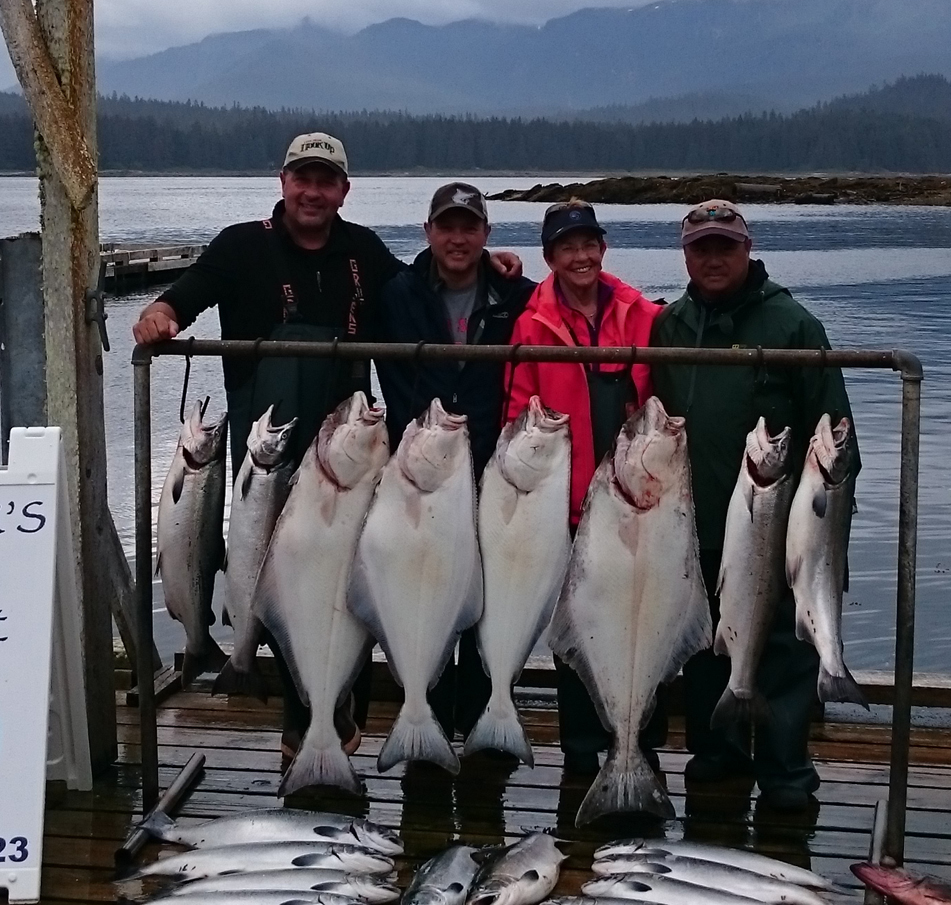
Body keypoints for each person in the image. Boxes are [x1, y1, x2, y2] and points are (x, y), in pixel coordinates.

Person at [133, 135, 518, 758]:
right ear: (283, 181)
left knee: (351, 582)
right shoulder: (241, 245)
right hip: (270, 457)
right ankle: (300, 726)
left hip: (350, 454)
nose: (313, 192)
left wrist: (487, 264)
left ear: (344, 190)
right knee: (283, 584)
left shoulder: (363, 250)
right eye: (302, 178)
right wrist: (161, 311)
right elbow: (191, 290)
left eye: (326, 181)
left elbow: (423, 285)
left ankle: (345, 724)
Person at [649, 198, 857, 822]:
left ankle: (787, 774)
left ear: (748, 249)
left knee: (787, 655)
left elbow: (838, 436)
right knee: (708, 651)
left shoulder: (794, 325)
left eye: (725, 246)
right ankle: (719, 754)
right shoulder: (670, 326)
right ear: (685, 255)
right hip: (696, 528)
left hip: (778, 530)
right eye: (701, 248)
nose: (713, 258)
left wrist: (825, 532)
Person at [502, 202, 661, 790]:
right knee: (576, 632)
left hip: (635, 504)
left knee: (639, 625)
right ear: (549, 258)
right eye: (567, 248)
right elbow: (516, 412)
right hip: (567, 507)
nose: (581, 257)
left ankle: (639, 745)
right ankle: (580, 753)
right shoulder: (530, 324)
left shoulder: (643, 314)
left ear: (603, 248)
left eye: (589, 244)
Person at [377, 182, 533, 745]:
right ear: (428, 232)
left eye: (470, 228)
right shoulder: (395, 294)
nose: (458, 239)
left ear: (487, 234)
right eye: (447, 227)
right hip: (422, 480)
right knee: (426, 594)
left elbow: (577, 300)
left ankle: (484, 731)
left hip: (496, 475)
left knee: (489, 602)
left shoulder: (518, 296)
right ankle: (428, 725)